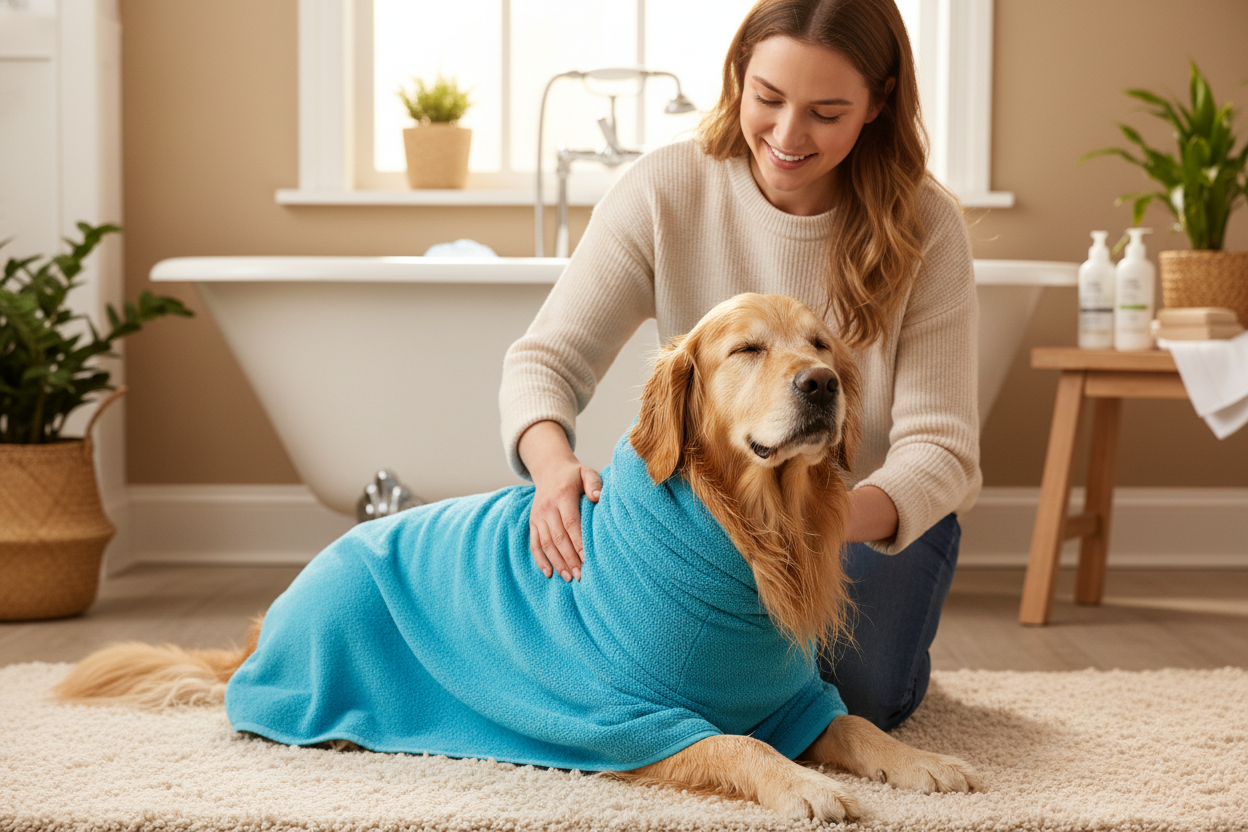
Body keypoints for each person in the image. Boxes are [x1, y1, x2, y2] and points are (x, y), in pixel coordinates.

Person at [498, 0, 980, 732]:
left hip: (862, 515)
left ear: (879, 104)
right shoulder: (665, 189)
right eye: (769, 99)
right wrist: (552, 466)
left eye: (826, 112)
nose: (788, 135)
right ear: (738, 76)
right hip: (709, 515)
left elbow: (941, 450)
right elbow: (544, 360)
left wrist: (818, 519)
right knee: (660, 685)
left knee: (854, 697)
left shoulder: (927, 226)